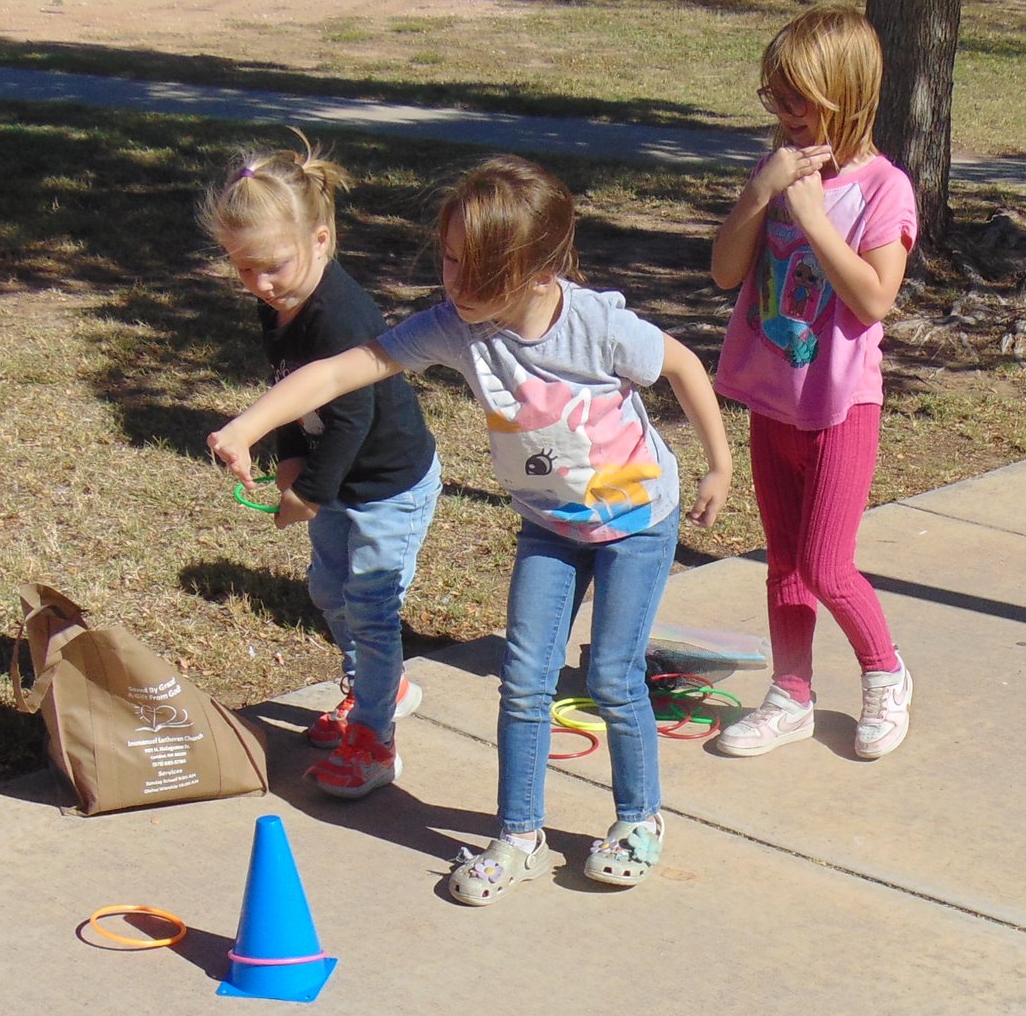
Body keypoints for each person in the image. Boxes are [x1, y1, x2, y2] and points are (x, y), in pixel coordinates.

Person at [210, 156, 734, 903]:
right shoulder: (458, 328)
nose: (453, 282)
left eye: (475, 267)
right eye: (449, 259)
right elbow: (337, 372)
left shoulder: (594, 326)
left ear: (537, 269)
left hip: (636, 525)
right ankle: (518, 834)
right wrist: (249, 423)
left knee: (615, 677)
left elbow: (682, 365)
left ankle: (638, 818)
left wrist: (718, 464)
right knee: (523, 682)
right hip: (551, 527)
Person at [708, 3, 918, 762]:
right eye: (777, 98)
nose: (788, 115)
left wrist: (814, 217)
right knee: (786, 561)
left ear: (847, 94)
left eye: (800, 99)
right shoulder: (776, 173)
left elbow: (873, 297)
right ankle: (791, 692)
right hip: (777, 402)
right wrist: (758, 195)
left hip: (840, 407)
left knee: (828, 564)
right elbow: (726, 270)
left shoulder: (883, 189)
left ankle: (886, 673)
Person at [201, 140, 441, 799]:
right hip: (336, 482)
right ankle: (378, 684)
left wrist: (308, 490)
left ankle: (374, 737)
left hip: (387, 485)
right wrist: (289, 463)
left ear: (322, 239)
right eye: (244, 270)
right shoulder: (278, 305)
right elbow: (286, 391)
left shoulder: (342, 316)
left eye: (272, 267)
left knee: (370, 604)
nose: (261, 285)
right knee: (327, 591)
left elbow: (348, 419)